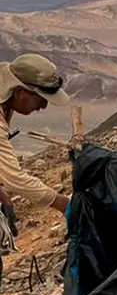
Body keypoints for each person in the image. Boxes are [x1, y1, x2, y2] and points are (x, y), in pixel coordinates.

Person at [0, 54, 72, 215]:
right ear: (20, 92)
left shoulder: (5, 99)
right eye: (41, 99)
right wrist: (63, 204)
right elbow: (15, 179)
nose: (44, 106)